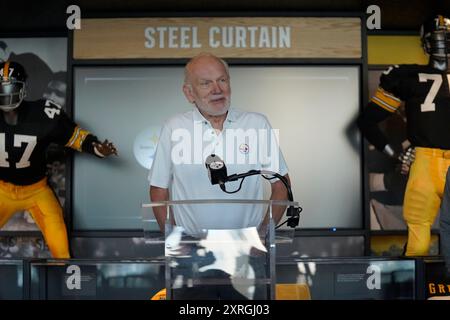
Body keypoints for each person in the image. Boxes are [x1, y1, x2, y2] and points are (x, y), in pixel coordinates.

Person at [148, 52, 290, 299]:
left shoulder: (256, 123)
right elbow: (158, 189)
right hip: (192, 250)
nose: (217, 89)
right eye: (206, 83)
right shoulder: (174, 127)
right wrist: (173, 239)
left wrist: (264, 233)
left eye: (222, 80)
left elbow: (281, 185)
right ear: (189, 93)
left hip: (247, 250)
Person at [0, 60, 118, 259]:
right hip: (2, 189)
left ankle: (65, 285)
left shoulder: (43, 113)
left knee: (60, 248)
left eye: (11, 87)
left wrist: (96, 147)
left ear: (23, 89)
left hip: (36, 190)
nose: (6, 93)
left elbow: (75, 136)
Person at [358, 15, 450, 256]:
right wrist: (397, 153)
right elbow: (367, 122)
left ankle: (418, 286)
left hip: (424, 163)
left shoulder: (407, 76)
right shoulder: (407, 78)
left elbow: (367, 121)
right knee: (418, 232)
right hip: (422, 162)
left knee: (419, 233)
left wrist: (396, 154)